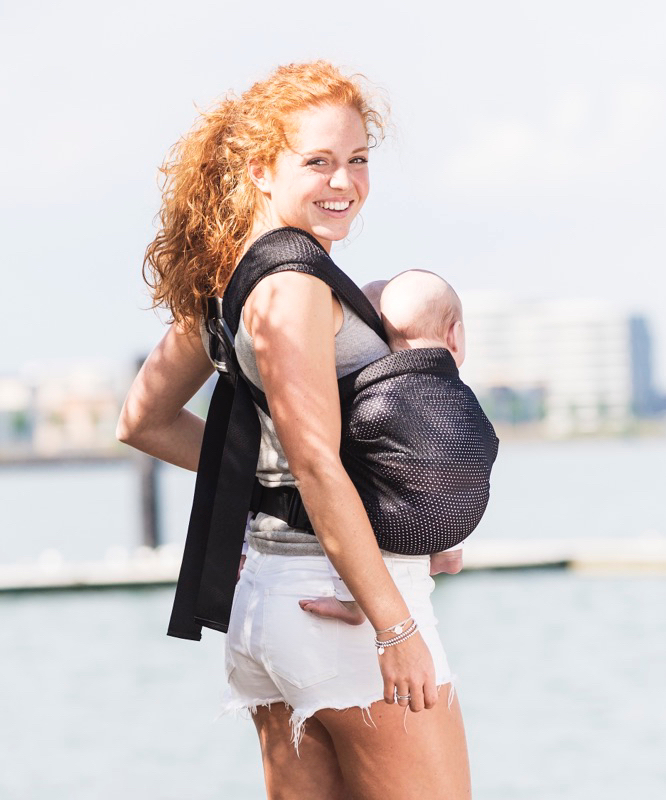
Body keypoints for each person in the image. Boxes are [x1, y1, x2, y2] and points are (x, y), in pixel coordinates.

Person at [117, 62, 471, 799]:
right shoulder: (296, 288)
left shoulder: (228, 280)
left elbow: (143, 419)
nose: (344, 182)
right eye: (317, 161)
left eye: (358, 159)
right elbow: (315, 462)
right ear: (260, 170)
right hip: (342, 611)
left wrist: (270, 497)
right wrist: (395, 627)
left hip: (270, 601)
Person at [301, 269, 478, 627]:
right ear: (454, 336)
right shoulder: (458, 396)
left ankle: (351, 602)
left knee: (347, 487)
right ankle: (450, 552)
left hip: (393, 528)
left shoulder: (373, 396)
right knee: (450, 468)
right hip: (458, 520)